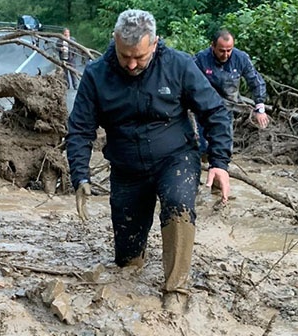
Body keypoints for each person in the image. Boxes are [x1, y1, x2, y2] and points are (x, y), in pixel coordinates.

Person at [66, 9, 232, 314]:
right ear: (114, 41)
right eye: (124, 55)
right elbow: (79, 129)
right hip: (127, 169)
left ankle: (175, 290)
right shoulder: (96, 74)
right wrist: (80, 176)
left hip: (176, 157)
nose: (131, 64)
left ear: (154, 44)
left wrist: (219, 161)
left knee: (178, 204)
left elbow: (215, 112)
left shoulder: (178, 65)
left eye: (139, 57)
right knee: (128, 262)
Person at [193, 30, 268, 155]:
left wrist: (260, 108)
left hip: (227, 109)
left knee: (224, 151)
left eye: (229, 50)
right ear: (213, 46)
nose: (226, 54)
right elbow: (187, 81)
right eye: (222, 50)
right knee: (202, 149)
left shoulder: (241, 58)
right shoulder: (201, 59)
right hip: (204, 109)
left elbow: (256, 81)